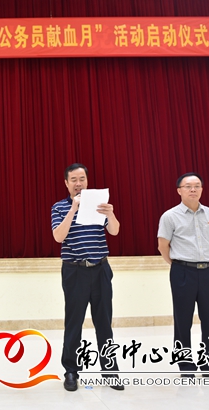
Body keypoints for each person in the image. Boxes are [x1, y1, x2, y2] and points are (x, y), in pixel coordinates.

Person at [51, 163, 124, 392]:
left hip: (100, 269)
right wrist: (73, 209)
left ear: (87, 181)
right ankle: (71, 371)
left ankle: (110, 370)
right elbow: (58, 237)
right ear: (66, 183)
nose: (78, 183)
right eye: (73, 179)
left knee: (104, 322)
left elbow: (115, 231)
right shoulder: (59, 207)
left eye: (82, 179)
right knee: (74, 323)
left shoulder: (98, 205)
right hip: (74, 271)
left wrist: (110, 214)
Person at [157, 172, 209, 384]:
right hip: (182, 272)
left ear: (202, 189)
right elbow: (163, 246)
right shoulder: (169, 216)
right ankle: (186, 366)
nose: (193, 189)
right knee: (182, 320)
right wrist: (179, 265)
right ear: (179, 190)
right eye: (188, 186)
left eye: (197, 185)